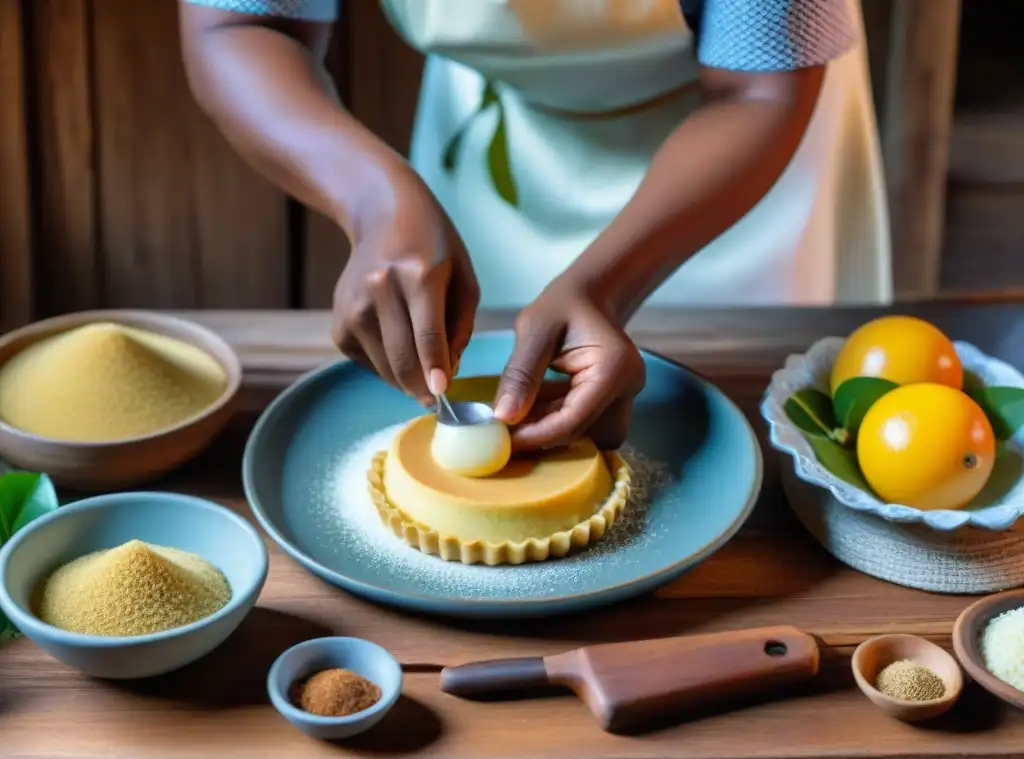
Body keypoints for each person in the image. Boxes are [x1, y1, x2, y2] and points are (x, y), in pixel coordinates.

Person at [178, 0, 890, 452]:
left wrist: (604, 287)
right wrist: (373, 199)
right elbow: (237, 21)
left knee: (729, 430)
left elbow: (759, 88)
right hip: (496, 138)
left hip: (736, 145)